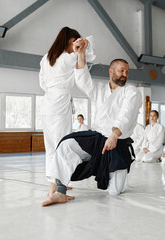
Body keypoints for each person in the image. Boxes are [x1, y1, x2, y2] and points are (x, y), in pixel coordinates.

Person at [42, 38, 142, 206]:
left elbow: (126, 115)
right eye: (121, 71)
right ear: (111, 71)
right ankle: (60, 191)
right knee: (66, 144)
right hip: (98, 138)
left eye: (127, 72)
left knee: (115, 191)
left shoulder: (132, 92)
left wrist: (114, 135)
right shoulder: (100, 90)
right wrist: (81, 53)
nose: (125, 74)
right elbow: (83, 80)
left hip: (118, 141)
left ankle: (114, 172)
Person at [39, 27, 95, 199]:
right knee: (61, 145)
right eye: (74, 43)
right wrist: (83, 44)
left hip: (47, 103)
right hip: (59, 104)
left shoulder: (46, 58)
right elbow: (89, 56)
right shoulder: (67, 57)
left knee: (51, 147)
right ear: (71, 42)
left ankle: (56, 182)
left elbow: (42, 83)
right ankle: (55, 189)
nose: (75, 47)